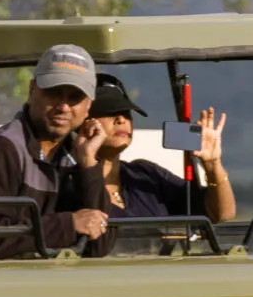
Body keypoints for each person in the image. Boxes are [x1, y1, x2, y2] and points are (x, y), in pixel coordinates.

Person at [0, 46, 116, 258]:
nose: (63, 107)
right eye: (54, 92)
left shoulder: (79, 156)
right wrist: (68, 225)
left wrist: (89, 164)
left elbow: (100, 246)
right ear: (32, 90)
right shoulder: (4, 148)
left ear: (88, 106)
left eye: (75, 98)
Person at [69, 73, 236, 225]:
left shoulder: (146, 175)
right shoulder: (67, 182)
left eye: (126, 112)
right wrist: (88, 156)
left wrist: (213, 165)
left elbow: (221, 215)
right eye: (107, 111)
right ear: (83, 123)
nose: (121, 119)